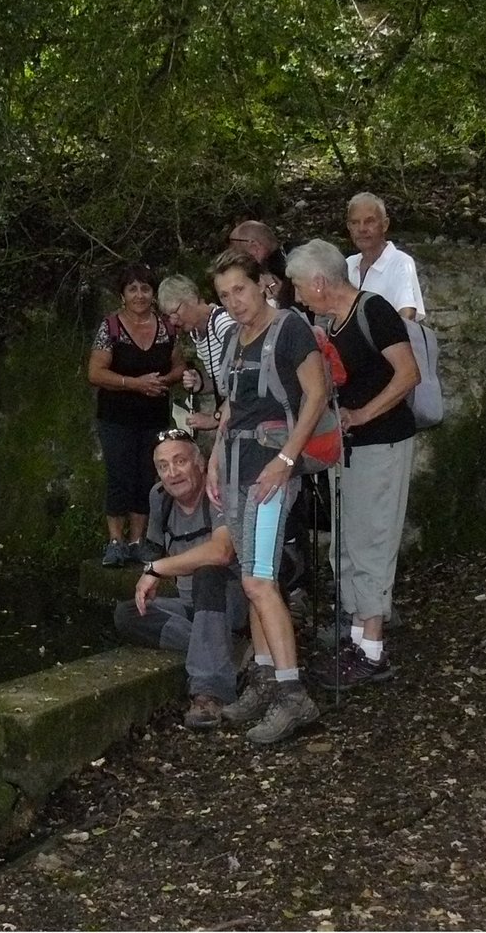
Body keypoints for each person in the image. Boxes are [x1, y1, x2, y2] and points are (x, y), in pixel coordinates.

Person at [286, 239, 418, 688]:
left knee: (373, 542)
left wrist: (361, 415)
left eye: (301, 287)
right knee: (346, 543)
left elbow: (407, 374)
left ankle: (373, 652)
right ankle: (359, 638)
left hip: (382, 444)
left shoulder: (373, 310)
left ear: (320, 282)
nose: (299, 296)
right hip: (351, 449)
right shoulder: (334, 322)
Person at [206, 249, 325, 744]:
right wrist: (214, 454)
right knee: (253, 577)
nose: (234, 302)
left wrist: (287, 461)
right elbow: (232, 404)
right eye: (224, 295)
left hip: (272, 472)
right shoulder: (235, 338)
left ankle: (294, 695)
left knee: (258, 581)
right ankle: (261, 677)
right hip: (237, 469)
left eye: (240, 289)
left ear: (263, 284)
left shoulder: (290, 328)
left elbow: (315, 396)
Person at [120, 429, 248, 729]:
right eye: (163, 466)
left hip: (230, 600)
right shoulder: (159, 499)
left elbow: (221, 552)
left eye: (180, 461)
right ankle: (226, 649)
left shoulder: (218, 493)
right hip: (190, 605)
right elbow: (154, 546)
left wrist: (156, 569)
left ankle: (210, 693)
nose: (172, 473)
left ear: (200, 464)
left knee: (207, 570)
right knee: (127, 614)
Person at [87, 263, 186, 567]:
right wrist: (135, 384)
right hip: (116, 417)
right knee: (120, 476)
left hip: (153, 417)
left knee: (147, 477)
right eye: (133, 289)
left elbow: (179, 367)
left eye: (145, 288)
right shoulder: (112, 328)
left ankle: (137, 540)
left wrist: (161, 382)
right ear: (122, 294)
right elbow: (95, 372)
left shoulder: (167, 328)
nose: (140, 295)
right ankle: (115, 541)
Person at [158, 274, 236, 434]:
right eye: (168, 316)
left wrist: (214, 418)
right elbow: (223, 383)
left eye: (175, 312)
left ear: (192, 298)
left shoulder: (223, 324)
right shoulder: (198, 334)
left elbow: (245, 381)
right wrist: (200, 383)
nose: (173, 321)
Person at [344, 192, 426, 321]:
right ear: (348, 227)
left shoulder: (400, 262)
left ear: (385, 224)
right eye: (355, 223)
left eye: (369, 221)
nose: (361, 228)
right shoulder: (348, 264)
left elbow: (407, 315)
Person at [227, 220, 298, 311]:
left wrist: (283, 296)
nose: (240, 264)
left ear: (255, 248)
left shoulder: (283, 268)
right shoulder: (293, 253)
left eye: (240, 255)